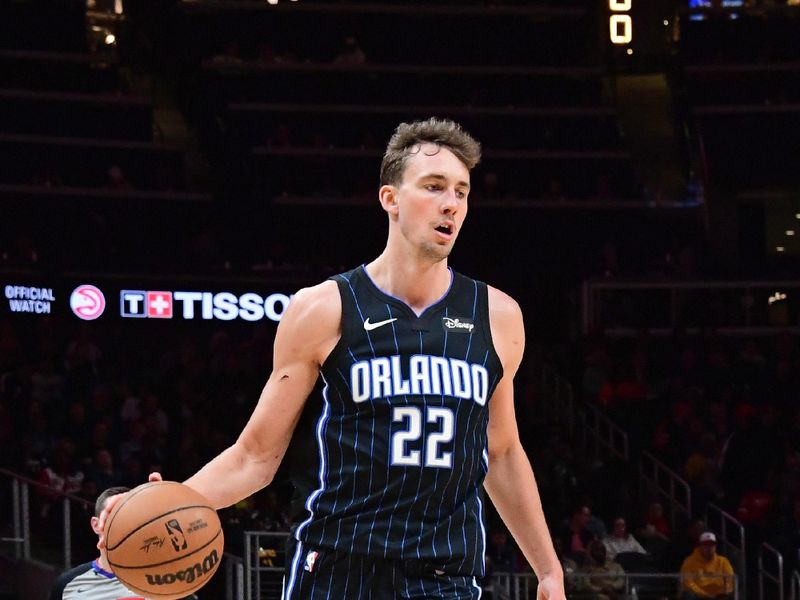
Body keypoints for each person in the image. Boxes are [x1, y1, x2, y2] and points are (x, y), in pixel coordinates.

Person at [99, 118, 566, 599]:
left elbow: (503, 451)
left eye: (462, 192)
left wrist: (549, 570)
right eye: (434, 187)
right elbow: (255, 457)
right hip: (337, 570)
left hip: (444, 576)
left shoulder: (499, 316)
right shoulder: (322, 309)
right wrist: (166, 505)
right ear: (390, 199)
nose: (452, 203)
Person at [48, 486, 141, 599]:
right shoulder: (66, 585)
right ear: (96, 525)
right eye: (113, 515)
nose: (122, 522)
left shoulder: (163, 579)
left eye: (131, 515)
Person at [679, 532, 735, 599]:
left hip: (718, 596)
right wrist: (705, 595)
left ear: (715, 546)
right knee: (689, 595)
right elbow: (687, 583)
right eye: (706, 545)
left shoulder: (723, 561)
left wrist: (720, 593)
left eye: (712, 545)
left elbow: (730, 581)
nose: (709, 548)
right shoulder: (689, 561)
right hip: (698, 596)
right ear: (700, 546)